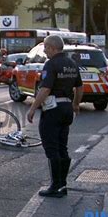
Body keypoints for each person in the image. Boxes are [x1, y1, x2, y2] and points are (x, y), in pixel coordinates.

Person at [27, 35, 83, 198]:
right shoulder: (72, 64)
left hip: (53, 109)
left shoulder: (51, 64)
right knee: (62, 147)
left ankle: (56, 185)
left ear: (52, 48)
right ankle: (63, 184)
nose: (44, 51)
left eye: (45, 47)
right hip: (67, 108)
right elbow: (79, 87)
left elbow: (45, 90)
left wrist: (32, 108)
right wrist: (76, 104)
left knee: (52, 148)